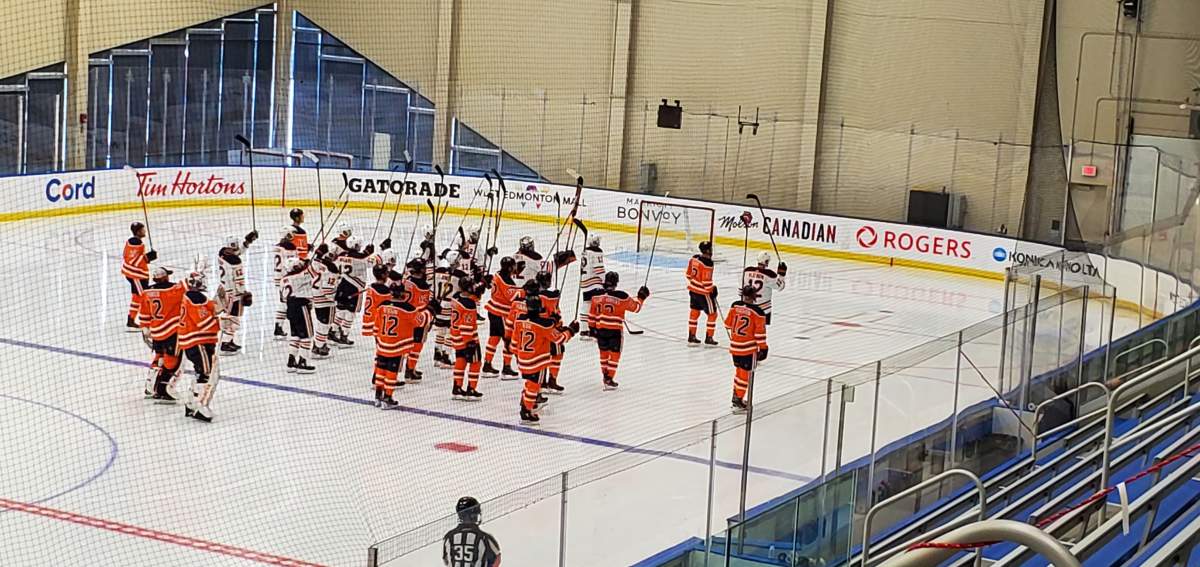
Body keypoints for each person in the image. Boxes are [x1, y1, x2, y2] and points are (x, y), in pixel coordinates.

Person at [513, 294, 579, 423]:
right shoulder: (544, 325)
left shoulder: (520, 320)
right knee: (534, 386)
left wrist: (552, 322)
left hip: (522, 360)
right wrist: (571, 330)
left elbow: (515, 340)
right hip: (537, 361)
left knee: (529, 384)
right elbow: (559, 339)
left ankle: (525, 404)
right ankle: (526, 411)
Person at [588, 272, 649, 390]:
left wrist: (592, 329)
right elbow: (636, 308)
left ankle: (605, 376)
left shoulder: (596, 297)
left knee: (603, 354)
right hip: (615, 331)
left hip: (600, 330)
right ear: (616, 283)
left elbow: (591, 315)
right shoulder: (622, 296)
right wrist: (641, 297)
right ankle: (609, 378)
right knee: (614, 355)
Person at [371, 284, 428, 409]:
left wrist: (379, 340)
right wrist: (429, 310)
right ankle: (387, 397)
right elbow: (421, 322)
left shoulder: (383, 305)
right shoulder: (408, 308)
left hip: (382, 343)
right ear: (403, 294)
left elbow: (376, 326)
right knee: (392, 371)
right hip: (396, 345)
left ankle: (378, 396)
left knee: (380, 369)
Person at [178, 260, 222, 422]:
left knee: (201, 372)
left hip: (194, 342)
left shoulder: (193, 296)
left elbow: (210, 306)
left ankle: (191, 403)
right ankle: (200, 406)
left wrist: (221, 303)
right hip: (198, 342)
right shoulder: (194, 298)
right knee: (207, 373)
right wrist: (220, 322)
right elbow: (204, 322)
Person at [138, 265, 185, 402]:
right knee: (173, 360)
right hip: (172, 331)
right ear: (166, 277)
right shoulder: (174, 290)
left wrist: (145, 328)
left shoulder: (146, 292)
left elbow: (144, 313)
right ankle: (163, 389)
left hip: (156, 330)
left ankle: (150, 386)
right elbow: (190, 286)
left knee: (159, 357)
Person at [725, 285, 768, 412]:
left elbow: (727, 324)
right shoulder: (758, 311)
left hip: (734, 348)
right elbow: (759, 334)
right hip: (748, 349)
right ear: (754, 296)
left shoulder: (735, 305)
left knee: (739, 373)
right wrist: (764, 348)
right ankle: (738, 400)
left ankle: (736, 396)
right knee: (744, 376)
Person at [216, 231, 257, 354]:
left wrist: (247, 243)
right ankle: (225, 344)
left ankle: (228, 340)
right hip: (234, 294)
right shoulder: (235, 261)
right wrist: (244, 293)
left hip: (222, 289)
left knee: (225, 315)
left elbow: (236, 252)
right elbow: (239, 280)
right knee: (234, 318)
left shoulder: (222, 253)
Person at [280, 251, 321, 374]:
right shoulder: (299, 276)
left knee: (295, 336)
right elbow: (312, 271)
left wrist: (306, 262)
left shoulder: (284, 279)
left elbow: (304, 270)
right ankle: (303, 362)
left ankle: (291, 361)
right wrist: (318, 255)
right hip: (301, 306)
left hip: (290, 307)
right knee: (307, 336)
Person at [331, 236, 374, 347]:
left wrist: (366, 253)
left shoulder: (340, 256)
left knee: (340, 310)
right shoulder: (361, 258)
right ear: (355, 246)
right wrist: (369, 252)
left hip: (341, 285)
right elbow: (371, 262)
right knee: (350, 312)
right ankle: (344, 336)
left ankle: (332, 331)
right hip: (354, 288)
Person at [482, 257, 520, 378]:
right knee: (507, 339)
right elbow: (513, 297)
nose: (515, 268)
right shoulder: (507, 281)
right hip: (502, 313)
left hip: (493, 310)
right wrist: (525, 290)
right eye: (514, 266)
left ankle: (487, 365)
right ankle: (506, 368)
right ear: (509, 268)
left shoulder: (497, 274)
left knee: (494, 337)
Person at [450, 276, 486, 401]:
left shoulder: (456, 297)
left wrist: (480, 284)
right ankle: (471, 389)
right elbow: (466, 325)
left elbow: (470, 296)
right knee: (476, 363)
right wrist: (470, 343)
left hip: (455, 336)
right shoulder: (469, 305)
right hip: (467, 338)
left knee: (460, 360)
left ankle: (457, 387)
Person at [442, 497, 501, 567]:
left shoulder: (448, 537)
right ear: (473, 515)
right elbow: (497, 558)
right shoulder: (484, 537)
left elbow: (446, 560)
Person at [402, 258, 434, 382]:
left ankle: (407, 368)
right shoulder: (423, 285)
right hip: (418, 318)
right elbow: (424, 302)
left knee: (405, 345)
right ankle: (410, 370)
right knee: (417, 345)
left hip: (405, 316)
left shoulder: (407, 281)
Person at [121, 222, 157, 331]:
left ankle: (131, 319)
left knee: (137, 297)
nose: (145, 231)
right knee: (144, 296)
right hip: (136, 274)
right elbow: (134, 261)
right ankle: (147, 318)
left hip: (133, 274)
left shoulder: (131, 242)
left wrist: (147, 257)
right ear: (138, 232)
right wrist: (147, 258)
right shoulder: (137, 244)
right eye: (142, 230)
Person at [686, 240, 719, 347]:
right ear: (709, 250)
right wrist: (712, 290)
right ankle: (709, 337)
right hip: (704, 294)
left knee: (694, 313)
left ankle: (691, 335)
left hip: (693, 290)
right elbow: (706, 283)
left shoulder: (694, 258)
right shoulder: (708, 263)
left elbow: (688, 275)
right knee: (712, 314)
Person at [742, 252, 787, 325]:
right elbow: (780, 287)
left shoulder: (747, 271)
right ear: (766, 262)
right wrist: (782, 274)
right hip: (763, 309)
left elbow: (741, 290)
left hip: (747, 307)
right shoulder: (769, 274)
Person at [272, 227, 300, 339]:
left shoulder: (277, 246)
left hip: (279, 278)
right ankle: (279, 327)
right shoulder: (290, 247)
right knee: (288, 303)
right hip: (288, 278)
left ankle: (279, 326)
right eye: (292, 233)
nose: (293, 235)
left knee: (283, 302)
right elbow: (294, 264)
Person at [578, 234, 605, 338]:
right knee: (598, 306)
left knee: (586, 304)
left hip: (585, 282)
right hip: (595, 283)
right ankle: (597, 328)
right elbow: (599, 269)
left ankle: (584, 330)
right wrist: (604, 280)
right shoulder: (597, 252)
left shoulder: (585, 252)